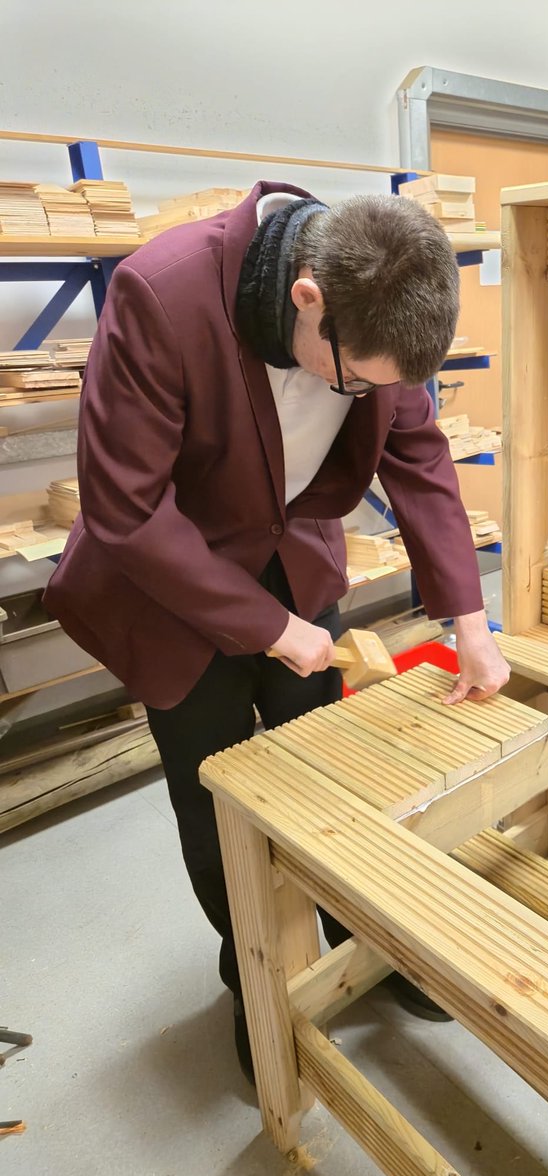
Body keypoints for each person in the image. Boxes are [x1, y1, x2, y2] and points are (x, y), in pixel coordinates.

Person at [44, 180, 510, 1081]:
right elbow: (124, 509)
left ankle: (358, 934)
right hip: (170, 582)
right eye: (357, 379)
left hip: (292, 554)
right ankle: (256, 975)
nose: (365, 395)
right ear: (307, 298)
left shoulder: (380, 303)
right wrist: (268, 628)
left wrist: (472, 623)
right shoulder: (161, 294)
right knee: (220, 799)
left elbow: (419, 457)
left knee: (334, 773)